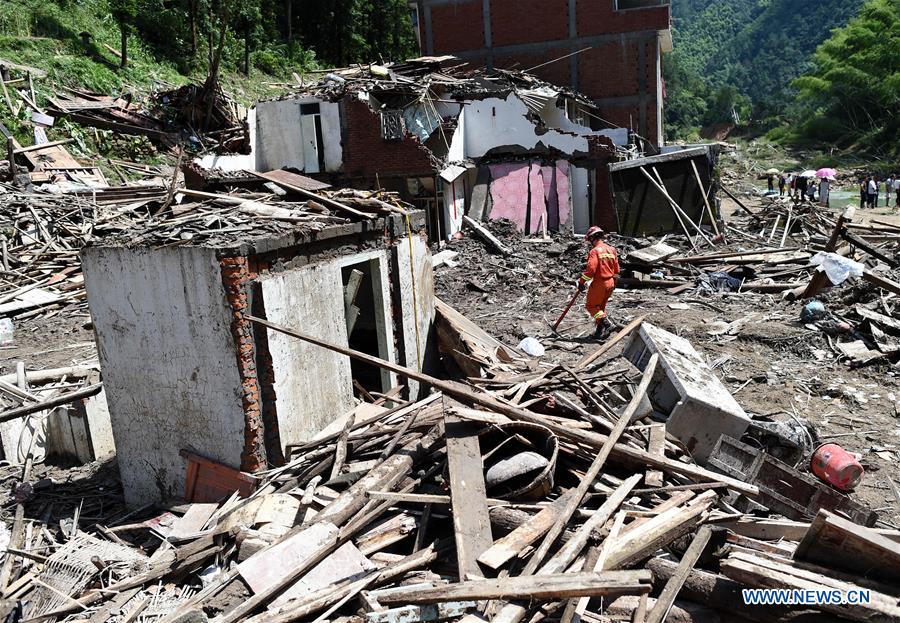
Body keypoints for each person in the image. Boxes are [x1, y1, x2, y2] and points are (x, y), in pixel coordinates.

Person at [577, 226, 620, 340]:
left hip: (600, 283)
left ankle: (607, 324)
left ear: (592, 238)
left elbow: (591, 271)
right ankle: (599, 331)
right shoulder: (612, 250)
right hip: (610, 282)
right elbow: (617, 270)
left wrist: (581, 282)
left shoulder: (594, 251)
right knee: (600, 308)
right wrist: (614, 283)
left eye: (590, 240)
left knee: (591, 306)